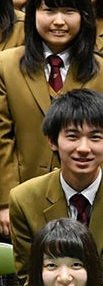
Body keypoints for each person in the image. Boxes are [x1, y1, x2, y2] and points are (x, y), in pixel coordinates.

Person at [0, 0, 103, 240]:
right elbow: (1, 137)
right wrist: (6, 199)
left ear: (84, 17)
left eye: (69, 11)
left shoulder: (101, 70)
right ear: (32, 14)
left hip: (90, 197)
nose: (59, 21)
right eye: (49, 10)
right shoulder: (5, 65)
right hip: (27, 195)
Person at [9, 88, 103, 274]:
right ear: (52, 141)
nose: (84, 148)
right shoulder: (24, 199)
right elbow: (30, 277)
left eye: (95, 137)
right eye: (72, 136)